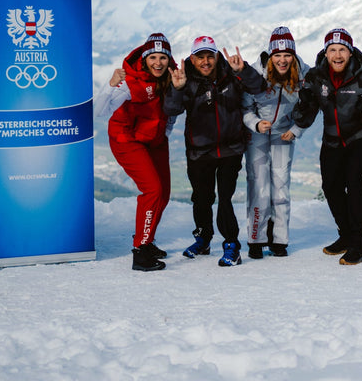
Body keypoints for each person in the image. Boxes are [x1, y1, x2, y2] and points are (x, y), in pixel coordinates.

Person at [165, 35, 265, 267]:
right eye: (200, 57)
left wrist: (243, 70)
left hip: (230, 150)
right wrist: (177, 88)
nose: (206, 61)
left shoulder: (230, 73)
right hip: (199, 152)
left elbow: (259, 87)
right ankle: (203, 239)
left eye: (210, 55)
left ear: (216, 55)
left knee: (225, 199)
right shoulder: (186, 80)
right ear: (192, 58)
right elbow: (171, 109)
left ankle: (231, 245)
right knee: (201, 198)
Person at [293, 28, 362, 265]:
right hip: (333, 138)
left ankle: (358, 245)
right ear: (325, 53)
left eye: (342, 50)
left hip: (361, 137)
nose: (337, 55)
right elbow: (303, 119)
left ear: (350, 52)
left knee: (354, 181)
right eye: (332, 50)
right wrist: (303, 104)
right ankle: (345, 235)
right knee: (331, 186)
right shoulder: (316, 77)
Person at [94, 32, 177, 272]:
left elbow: (169, 110)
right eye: (153, 58)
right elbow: (100, 111)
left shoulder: (169, 78)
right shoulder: (130, 82)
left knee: (164, 193)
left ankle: (146, 239)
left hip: (156, 139)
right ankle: (140, 253)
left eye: (163, 58)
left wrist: (165, 133)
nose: (158, 63)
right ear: (144, 58)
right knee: (152, 189)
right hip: (127, 139)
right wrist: (110, 86)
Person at [242, 27, 308, 259]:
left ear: (293, 55)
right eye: (277, 55)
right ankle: (256, 238)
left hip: (283, 134)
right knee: (258, 185)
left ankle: (279, 239)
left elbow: (310, 106)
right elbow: (245, 107)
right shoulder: (255, 74)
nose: (282, 60)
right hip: (258, 134)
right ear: (270, 56)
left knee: (281, 186)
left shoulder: (303, 74)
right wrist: (256, 123)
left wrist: (296, 129)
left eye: (287, 55)